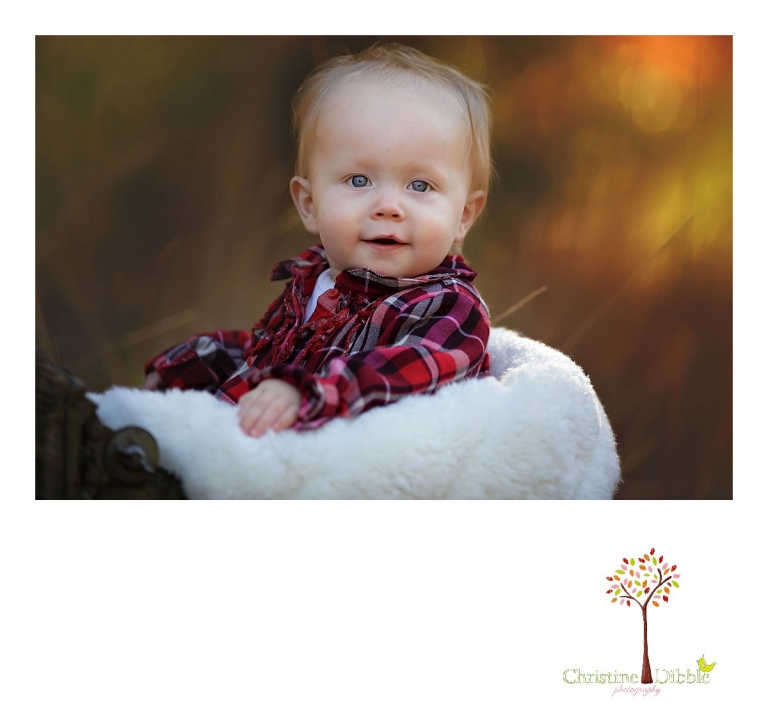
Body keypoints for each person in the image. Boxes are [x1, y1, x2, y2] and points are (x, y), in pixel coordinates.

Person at [143, 43, 493, 438]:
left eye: (420, 184)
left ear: (463, 215)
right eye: (359, 180)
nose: (389, 206)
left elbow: (399, 374)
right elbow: (265, 354)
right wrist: (198, 362)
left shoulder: (448, 307)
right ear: (309, 205)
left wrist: (306, 394)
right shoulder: (312, 281)